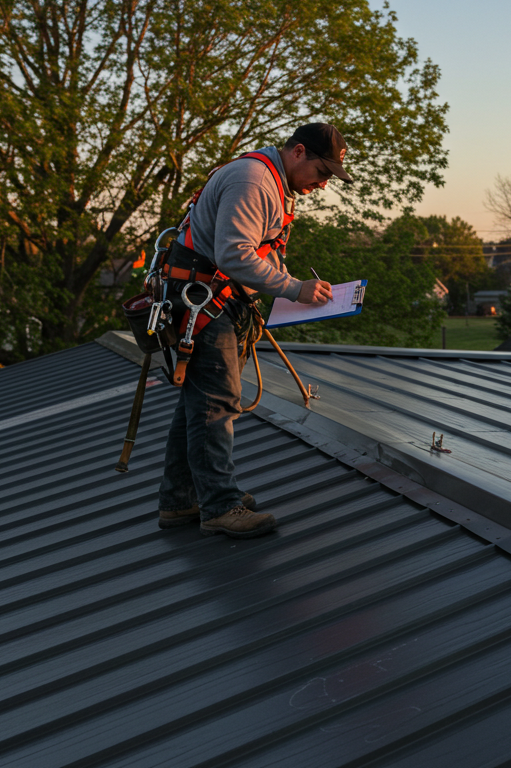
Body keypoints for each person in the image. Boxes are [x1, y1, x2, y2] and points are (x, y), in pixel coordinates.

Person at [156, 123, 353, 538]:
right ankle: (219, 506)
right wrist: (294, 289)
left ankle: (180, 500)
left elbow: (259, 251)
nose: (322, 185)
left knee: (198, 404)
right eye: (321, 172)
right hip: (205, 300)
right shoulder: (254, 180)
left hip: (215, 296)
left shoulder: (273, 182)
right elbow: (234, 254)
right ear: (298, 152)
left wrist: (286, 287)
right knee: (216, 404)